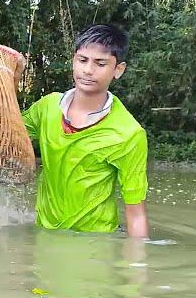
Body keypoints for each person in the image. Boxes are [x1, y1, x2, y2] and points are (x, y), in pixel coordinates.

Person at [19, 24, 149, 237]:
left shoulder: (128, 134)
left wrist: (136, 268)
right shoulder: (48, 108)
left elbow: (136, 214)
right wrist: (12, 78)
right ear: (73, 61)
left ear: (118, 70)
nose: (88, 70)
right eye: (82, 60)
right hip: (44, 236)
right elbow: (6, 134)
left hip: (95, 243)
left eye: (100, 63)